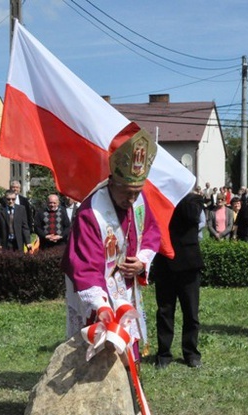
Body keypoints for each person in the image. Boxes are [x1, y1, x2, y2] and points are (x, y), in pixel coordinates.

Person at [62, 125, 161, 366]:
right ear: (112, 182)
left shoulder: (138, 202)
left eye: (137, 192)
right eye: (127, 193)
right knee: (99, 348)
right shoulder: (91, 212)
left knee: (127, 346)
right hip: (98, 292)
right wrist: (102, 306)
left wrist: (142, 262)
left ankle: (126, 387)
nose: (132, 200)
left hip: (125, 288)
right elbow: (83, 264)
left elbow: (151, 232)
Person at [153, 192, 205, 368]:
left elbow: (192, 216)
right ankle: (164, 354)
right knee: (165, 312)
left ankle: (191, 353)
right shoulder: (158, 198)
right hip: (164, 263)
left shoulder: (193, 200)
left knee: (190, 312)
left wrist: (178, 196)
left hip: (188, 264)